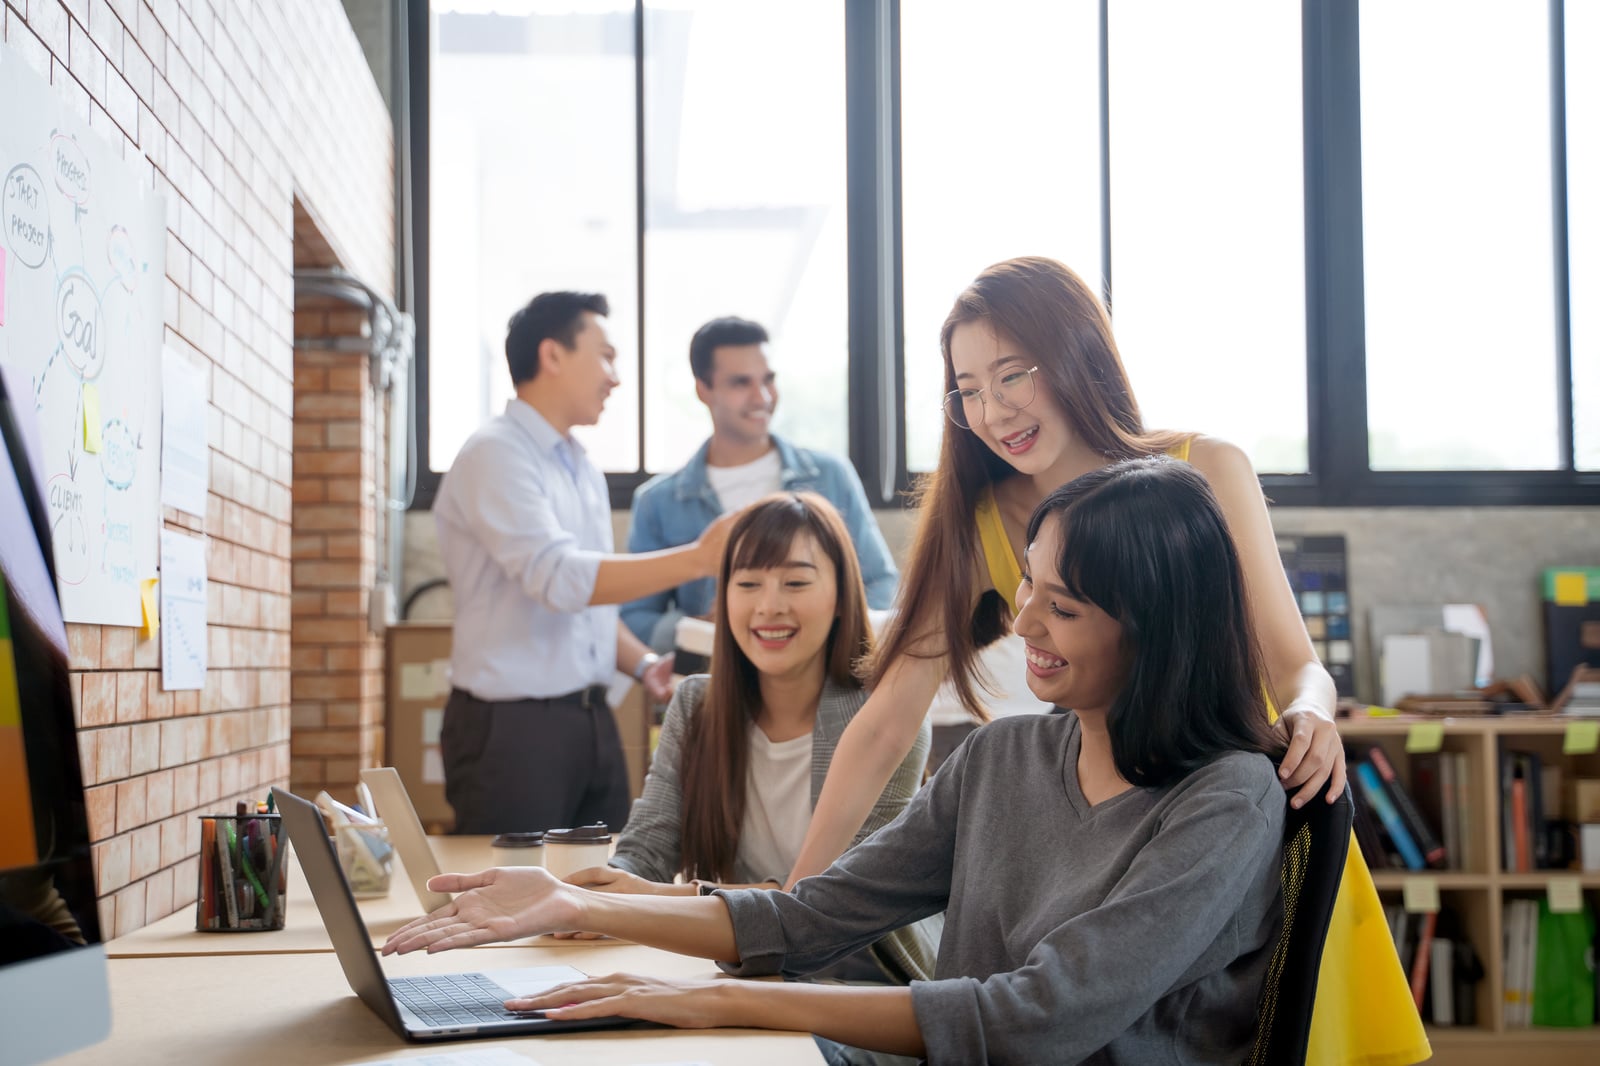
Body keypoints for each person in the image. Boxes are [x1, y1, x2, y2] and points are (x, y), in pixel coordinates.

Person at [385, 459, 1290, 1065]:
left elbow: (1038, 1018)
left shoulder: (1228, 797)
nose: (1022, 628)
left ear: (1159, 622)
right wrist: (576, 901)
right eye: (1027, 593)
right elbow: (814, 912)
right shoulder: (1003, 756)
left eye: (1065, 608)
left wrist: (721, 1004)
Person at [780, 256, 1423, 1065]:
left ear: (1080, 354)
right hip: (1108, 844)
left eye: (1013, 374)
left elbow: (1298, 665)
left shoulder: (1205, 468)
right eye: (969, 389)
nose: (992, 409)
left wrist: (1312, 716)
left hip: (1217, 824)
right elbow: (883, 725)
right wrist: (797, 910)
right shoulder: (983, 519)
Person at [566, 491, 935, 982]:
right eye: (748, 583)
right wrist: (598, 891)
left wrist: (669, 898)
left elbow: (831, 901)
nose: (769, 606)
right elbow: (647, 853)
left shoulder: (888, 719)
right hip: (750, 971)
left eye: (797, 582)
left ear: (843, 597)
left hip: (859, 978)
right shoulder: (696, 705)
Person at [432, 291, 738, 836]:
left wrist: (644, 666)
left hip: (592, 721)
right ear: (552, 355)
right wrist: (699, 558)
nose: (615, 378)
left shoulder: (580, 467)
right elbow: (560, 579)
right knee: (513, 907)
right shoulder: (495, 453)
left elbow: (584, 605)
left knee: (600, 894)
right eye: (605, 356)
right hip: (513, 731)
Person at [623, 317, 898, 652]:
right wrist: (703, 631)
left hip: (825, 680)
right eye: (741, 383)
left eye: (768, 379)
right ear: (703, 389)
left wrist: (825, 634)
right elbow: (637, 617)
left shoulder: (829, 476)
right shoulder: (659, 501)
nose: (762, 396)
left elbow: (879, 581)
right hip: (716, 684)